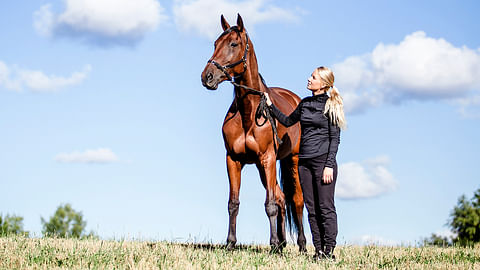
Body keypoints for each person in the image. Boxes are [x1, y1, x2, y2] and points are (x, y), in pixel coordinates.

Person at [265, 66, 346, 260]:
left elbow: (335, 139)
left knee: (325, 207)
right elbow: (287, 119)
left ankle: (329, 251)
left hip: (323, 163)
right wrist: (270, 106)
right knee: (311, 208)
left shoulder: (331, 105)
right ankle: (318, 250)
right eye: (311, 76)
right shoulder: (305, 103)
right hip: (304, 163)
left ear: (323, 84)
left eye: (313, 77)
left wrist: (329, 164)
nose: (309, 79)